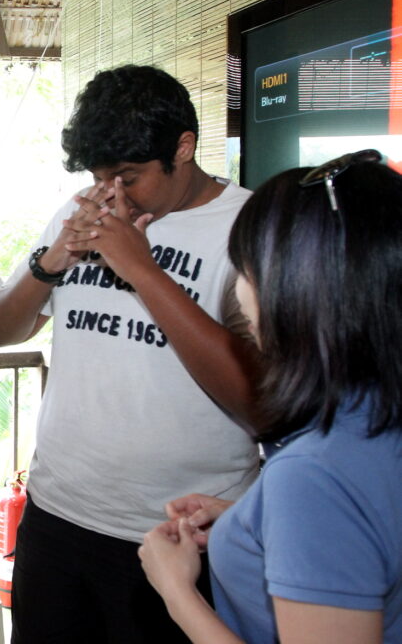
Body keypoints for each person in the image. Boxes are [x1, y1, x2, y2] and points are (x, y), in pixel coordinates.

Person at [0, 64, 261, 643]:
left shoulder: (249, 227)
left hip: (178, 538)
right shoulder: (78, 212)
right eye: (98, 175)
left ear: (183, 148)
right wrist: (52, 258)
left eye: (128, 176)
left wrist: (140, 267)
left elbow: (259, 399)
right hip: (57, 516)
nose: (109, 193)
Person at [139, 150, 402, 644]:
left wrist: (177, 592)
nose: (239, 294)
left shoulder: (313, 475)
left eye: (246, 272)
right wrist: (252, 519)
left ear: (295, 289)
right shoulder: (374, 416)